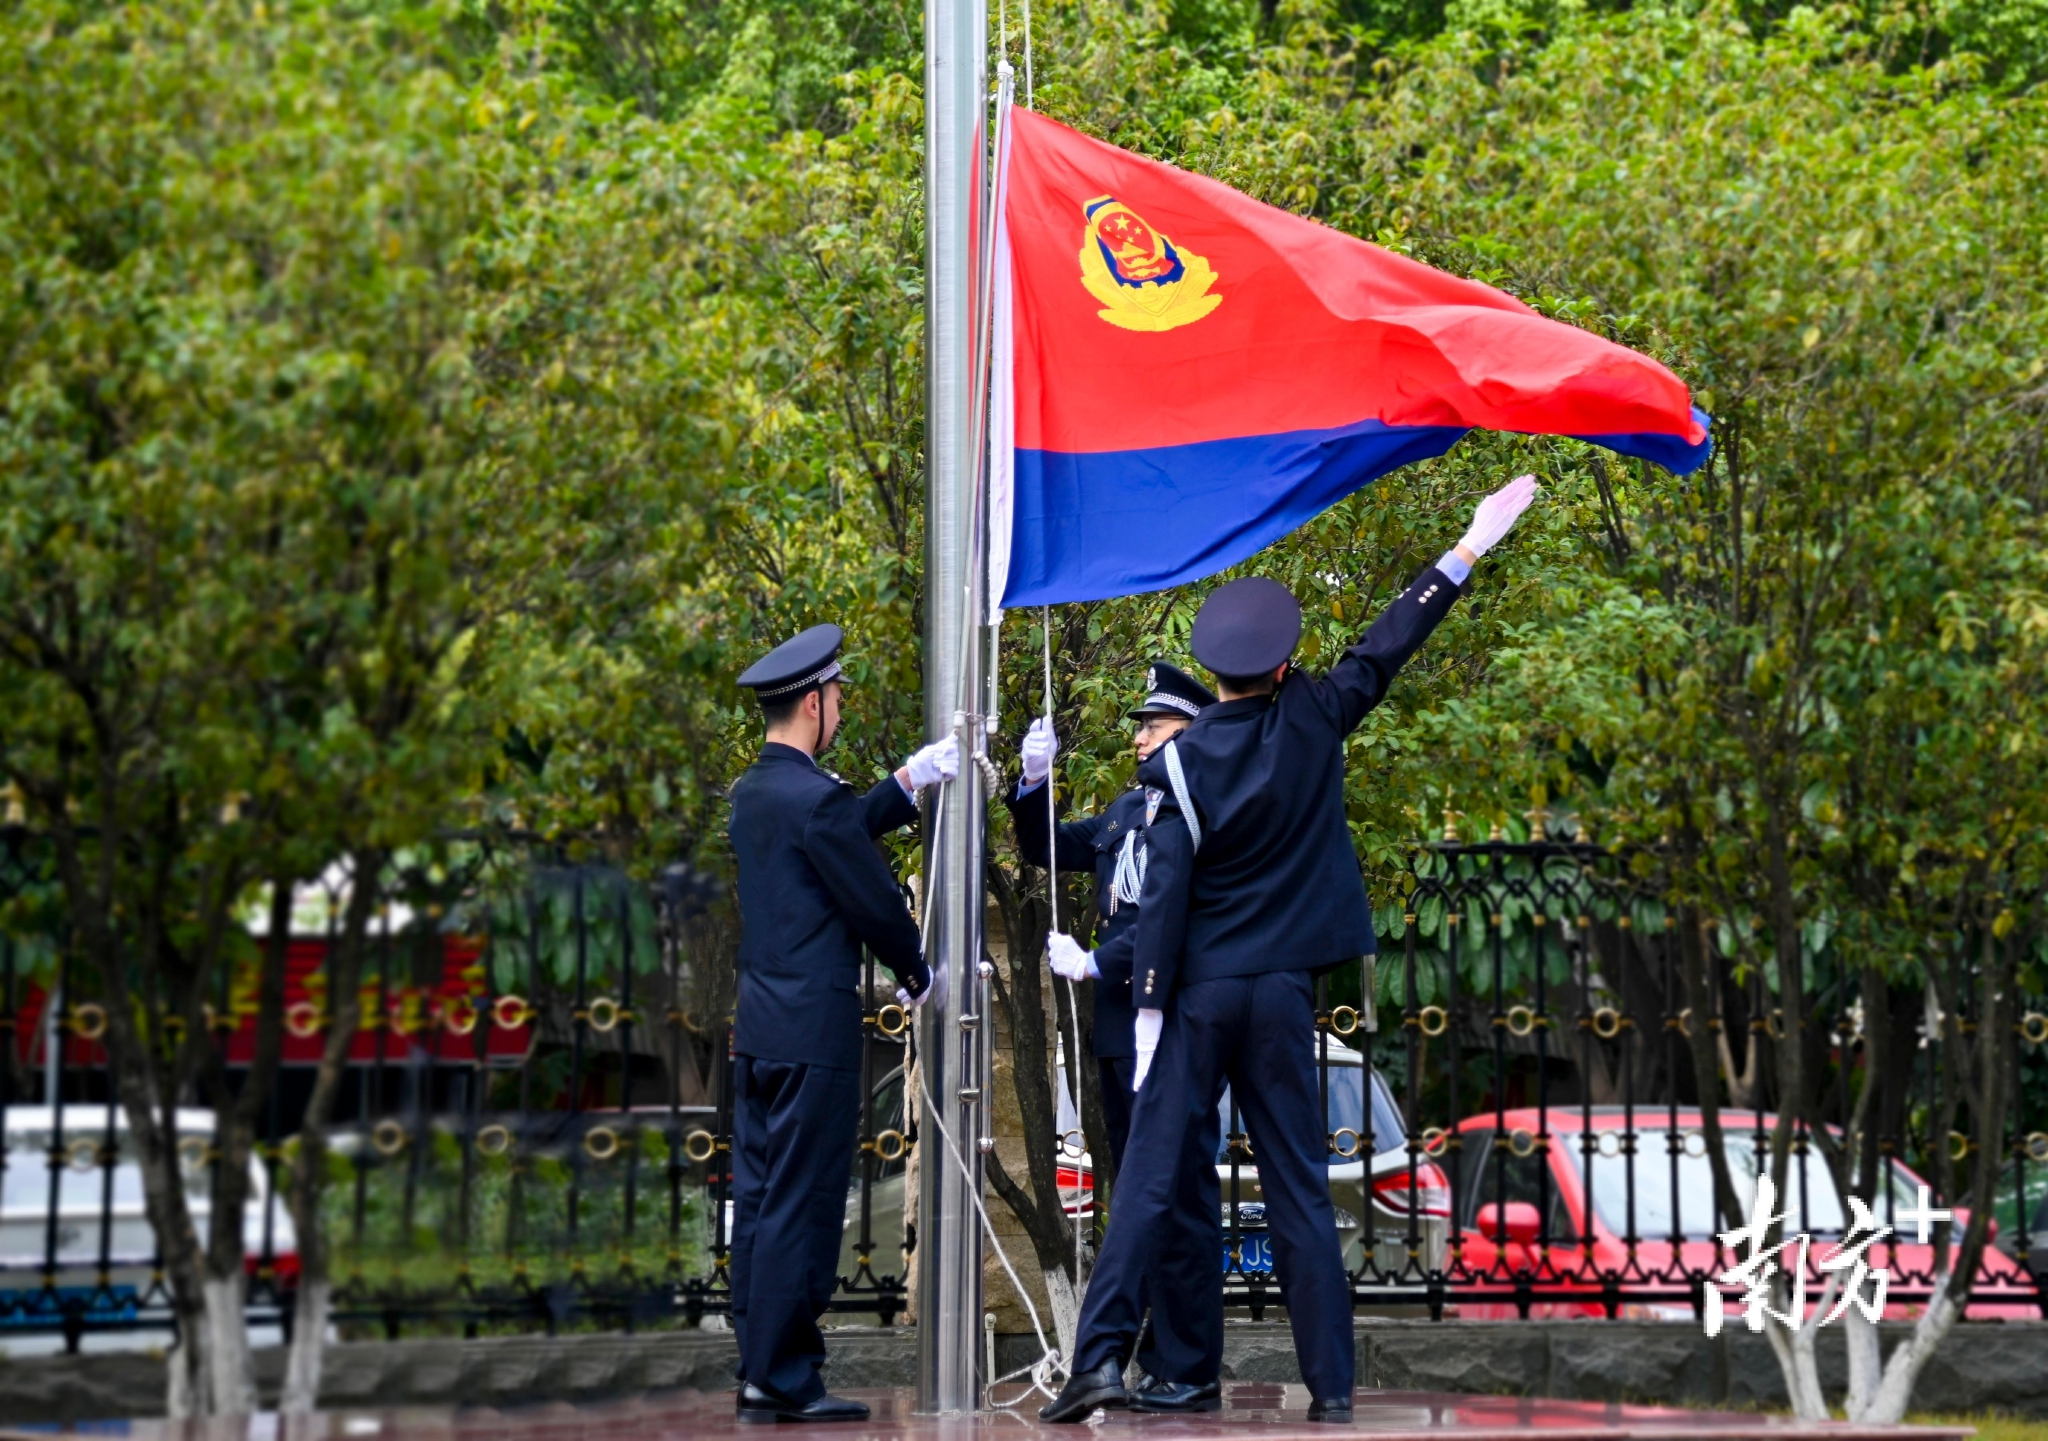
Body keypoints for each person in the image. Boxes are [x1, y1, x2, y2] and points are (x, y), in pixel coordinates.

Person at [1042, 475, 1540, 1425]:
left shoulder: (1176, 762)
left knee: (1147, 1178)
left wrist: (1144, 1010)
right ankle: (1334, 1387)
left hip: (1197, 994)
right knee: (1299, 1190)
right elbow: (1383, 649)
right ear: (1278, 670)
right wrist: (1465, 549)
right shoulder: (1311, 719)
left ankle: (1098, 1359)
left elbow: (1167, 893)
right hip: (1279, 994)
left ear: (1217, 675)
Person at [727, 623, 960, 1423]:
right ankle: (788, 1376)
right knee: (804, 1201)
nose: (841, 708)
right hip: (812, 1033)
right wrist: (918, 972)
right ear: (812, 705)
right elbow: (872, 899)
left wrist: (902, 782)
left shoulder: (754, 793)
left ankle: (759, 1365)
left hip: (761, 1028)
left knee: (762, 1197)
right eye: (835, 696)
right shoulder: (816, 798)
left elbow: (826, 839)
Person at [1007, 663, 1225, 1412]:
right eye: (1142, 728)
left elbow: (1177, 920)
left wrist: (1100, 959)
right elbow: (1045, 848)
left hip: (1171, 1022)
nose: (1139, 739)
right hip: (1116, 1030)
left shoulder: (1204, 810)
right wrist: (1033, 782)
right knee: (1136, 1197)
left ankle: (1188, 1362)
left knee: (1182, 1195)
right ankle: (1155, 1359)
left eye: (1154, 728)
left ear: (1190, 734)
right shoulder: (1128, 809)